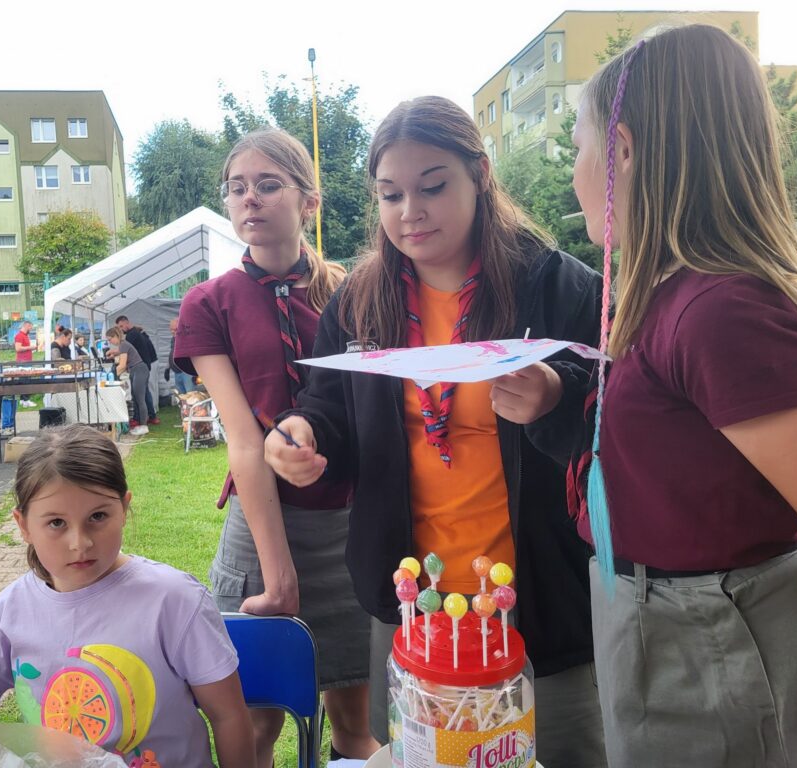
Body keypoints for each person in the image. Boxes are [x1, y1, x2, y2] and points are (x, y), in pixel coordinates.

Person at [263, 97, 605, 766]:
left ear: (480, 175)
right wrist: (302, 433)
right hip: (413, 599)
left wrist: (556, 395)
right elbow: (328, 405)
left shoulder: (556, 285)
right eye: (390, 194)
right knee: (421, 755)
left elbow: (613, 405)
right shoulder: (359, 301)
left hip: (537, 600)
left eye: (433, 186)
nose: (410, 211)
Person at [564, 25, 797, 768]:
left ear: (621, 152)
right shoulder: (672, 295)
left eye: (580, 146)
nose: (576, 171)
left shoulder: (722, 311)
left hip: (718, 650)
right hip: (671, 632)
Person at [0, 424, 255, 768]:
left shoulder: (174, 601)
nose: (79, 542)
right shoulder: (10, 614)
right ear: (23, 526)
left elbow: (228, 715)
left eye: (98, 517)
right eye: (56, 523)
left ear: (124, 508)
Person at [175, 127, 375, 768]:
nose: (249, 199)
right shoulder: (208, 303)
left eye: (268, 185)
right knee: (254, 725)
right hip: (262, 522)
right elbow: (243, 438)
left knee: (356, 723)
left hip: (348, 524)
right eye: (236, 188)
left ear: (309, 201)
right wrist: (278, 571)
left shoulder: (354, 293)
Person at [116, 316, 160, 425]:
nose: (121, 329)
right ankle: (150, 416)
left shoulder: (131, 335)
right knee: (144, 393)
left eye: (121, 326)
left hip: (140, 367)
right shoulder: (134, 333)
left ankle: (140, 419)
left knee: (139, 395)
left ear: (127, 323)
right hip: (144, 365)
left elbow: (125, 352)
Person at [106, 327, 149, 436]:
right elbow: (121, 353)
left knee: (140, 399)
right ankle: (140, 424)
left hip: (139, 370)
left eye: (110, 339)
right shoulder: (123, 345)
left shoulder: (123, 345)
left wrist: (109, 376)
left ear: (116, 336)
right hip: (136, 370)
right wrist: (113, 353)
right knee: (136, 399)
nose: (110, 342)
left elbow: (122, 365)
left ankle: (144, 426)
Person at [166, 318, 195, 393]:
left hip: (187, 373)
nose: (172, 332)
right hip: (177, 372)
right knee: (181, 396)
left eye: (175, 329)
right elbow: (171, 353)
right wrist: (167, 368)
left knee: (191, 394)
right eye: (171, 330)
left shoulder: (188, 339)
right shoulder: (173, 339)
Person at [14, 320, 37, 407]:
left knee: (26, 380)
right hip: (23, 362)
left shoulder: (25, 336)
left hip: (26, 361)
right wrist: (30, 347)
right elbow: (18, 348)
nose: (31, 329)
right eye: (31, 327)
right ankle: (26, 399)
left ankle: (23, 399)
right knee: (25, 380)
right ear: (27, 326)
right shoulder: (19, 336)